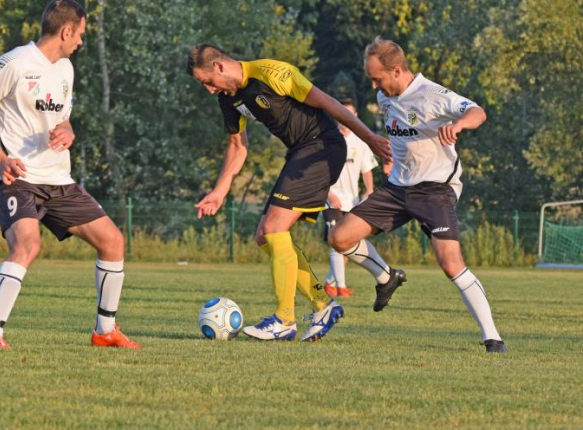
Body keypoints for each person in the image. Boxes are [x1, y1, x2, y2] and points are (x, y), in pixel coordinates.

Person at [0, 0, 140, 350]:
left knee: (113, 242)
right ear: (66, 30)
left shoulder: (65, 70)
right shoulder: (11, 64)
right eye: (79, 35)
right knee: (28, 245)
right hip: (18, 178)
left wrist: (69, 132)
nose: (81, 42)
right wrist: (0, 159)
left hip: (59, 179)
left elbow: (62, 117)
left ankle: (105, 331)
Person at [187, 44, 392, 342]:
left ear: (219, 66)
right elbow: (237, 146)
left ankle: (284, 319)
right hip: (300, 153)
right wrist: (220, 191)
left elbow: (328, 103)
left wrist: (370, 138)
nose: (208, 90)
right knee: (265, 235)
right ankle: (323, 305)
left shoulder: (272, 73)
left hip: (323, 147)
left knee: (273, 228)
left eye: (207, 81)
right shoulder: (229, 99)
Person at [329, 37, 507, 353]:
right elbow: (402, 137)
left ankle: (493, 337)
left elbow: (478, 112)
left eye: (377, 78)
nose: (374, 87)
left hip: (435, 190)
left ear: (396, 70)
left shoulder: (433, 95)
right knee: (340, 238)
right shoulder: (386, 98)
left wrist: (460, 126)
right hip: (398, 189)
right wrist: (388, 156)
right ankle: (386, 277)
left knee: (450, 263)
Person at [323, 98, 404, 304]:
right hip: (331, 199)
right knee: (336, 241)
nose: (344, 119)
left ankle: (329, 282)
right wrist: (329, 194)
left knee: (347, 243)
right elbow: (321, 172)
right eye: (341, 114)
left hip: (353, 200)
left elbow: (367, 169)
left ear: (354, 116)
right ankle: (340, 288)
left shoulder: (360, 142)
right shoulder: (328, 139)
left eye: (349, 113)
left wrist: (369, 191)